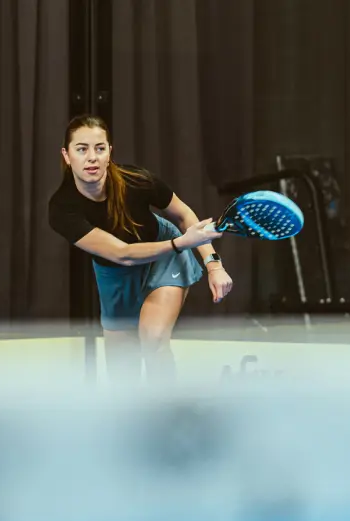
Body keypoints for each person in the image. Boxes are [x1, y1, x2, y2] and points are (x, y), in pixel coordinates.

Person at [48, 114, 233, 386]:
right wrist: (182, 242)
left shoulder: (136, 180)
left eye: (100, 148)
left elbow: (183, 214)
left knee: (153, 340)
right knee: (123, 377)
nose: (92, 158)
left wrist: (214, 265)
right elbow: (121, 253)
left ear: (110, 152)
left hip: (165, 258)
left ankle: (167, 418)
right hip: (116, 274)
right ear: (67, 155)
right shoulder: (62, 209)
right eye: (81, 149)